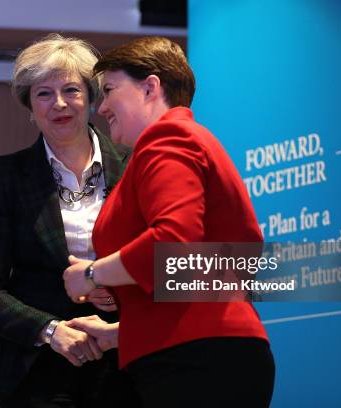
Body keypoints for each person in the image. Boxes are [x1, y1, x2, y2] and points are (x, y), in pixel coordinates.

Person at [62, 37, 275, 407]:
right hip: (197, 355)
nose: (103, 106)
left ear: (150, 87)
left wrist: (92, 274)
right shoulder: (174, 142)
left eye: (110, 90)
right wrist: (120, 334)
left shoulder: (168, 137)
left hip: (198, 360)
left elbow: (174, 243)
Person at [0, 34, 140, 407]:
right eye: (43, 93)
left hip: (127, 362)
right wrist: (51, 330)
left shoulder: (136, 164)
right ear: (30, 105)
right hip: (37, 366)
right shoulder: (7, 175)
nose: (59, 103)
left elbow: (157, 257)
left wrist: (115, 284)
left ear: (92, 99)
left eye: (72, 90)